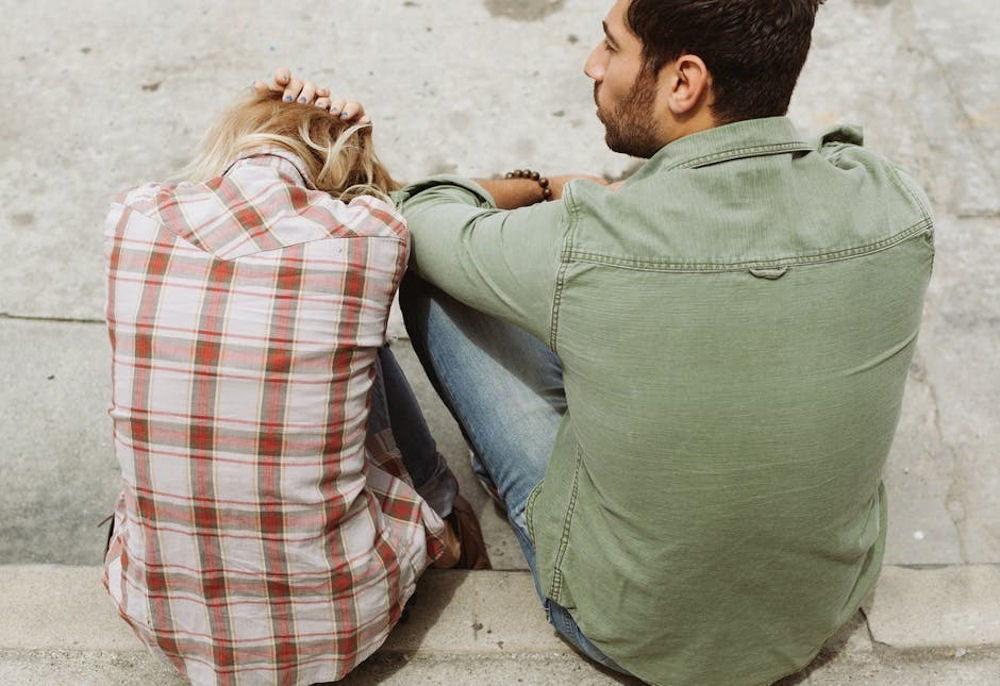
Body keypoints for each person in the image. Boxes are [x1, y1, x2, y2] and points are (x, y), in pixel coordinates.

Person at [278, 0, 935, 682]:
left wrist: (546, 187)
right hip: (815, 617)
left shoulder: (588, 239)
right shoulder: (895, 203)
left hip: (621, 629)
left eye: (611, 47)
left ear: (684, 83)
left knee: (440, 283)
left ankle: (468, 508)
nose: (593, 65)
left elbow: (417, 214)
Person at [102, 87, 489, 686]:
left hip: (162, 622)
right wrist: (350, 138)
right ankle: (447, 516)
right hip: (340, 627)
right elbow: (383, 205)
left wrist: (260, 107)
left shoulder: (132, 217)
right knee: (348, 343)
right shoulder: (372, 236)